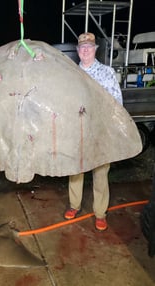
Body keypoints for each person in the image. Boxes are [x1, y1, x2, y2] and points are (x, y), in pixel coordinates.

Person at [64, 32, 123, 231]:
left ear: (95, 49)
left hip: (100, 131)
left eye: (89, 47)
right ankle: (74, 205)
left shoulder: (107, 72)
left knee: (100, 172)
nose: (85, 50)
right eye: (82, 47)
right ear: (78, 51)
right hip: (78, 131)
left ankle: (100, 213)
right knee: (76, 170)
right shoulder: (71, 73)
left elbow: (117, 102)